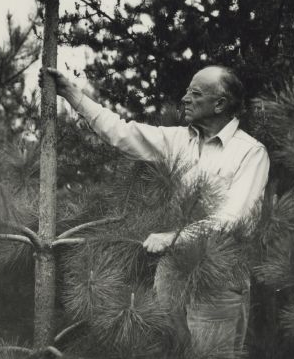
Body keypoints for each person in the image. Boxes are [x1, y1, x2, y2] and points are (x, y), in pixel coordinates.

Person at [41, 65, 269, 356]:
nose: (184, 98)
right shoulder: (177, 140)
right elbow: (122, 133)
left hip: (219, 279)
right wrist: (73, 95)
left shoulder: (251, 152)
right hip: (170, 274)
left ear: (220, 104)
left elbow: (235, 219)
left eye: (195, 93)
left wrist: (174, 237)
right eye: (186, 91)